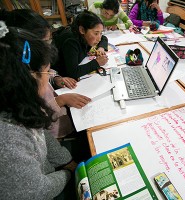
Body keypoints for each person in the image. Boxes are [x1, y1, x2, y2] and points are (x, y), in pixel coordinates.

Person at [0, 23, 77, 199]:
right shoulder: (8, 139)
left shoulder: (19, 105)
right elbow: (37, 191)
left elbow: (42, 131)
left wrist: (67, 161)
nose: (49, 77)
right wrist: (68, 173)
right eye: (46, 73)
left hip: (45, 173)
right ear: (28, 79)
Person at [0, 9, 91, 138]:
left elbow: (47, 70)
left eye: (49, 41)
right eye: (45, 42)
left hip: (59, 118)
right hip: (53, 130)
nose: (48, 47)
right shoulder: (18, 83)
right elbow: (35, 116)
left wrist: (56, 78)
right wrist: (60, 100)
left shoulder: (30, 63)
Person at [52, 10, 109, 80]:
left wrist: (101, 48)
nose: (99, 38)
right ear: (82, 30)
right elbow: (73, 72)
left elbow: (104, 38)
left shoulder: (83, 35)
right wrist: (97, 62)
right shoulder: (71, 42)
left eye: (101, 33)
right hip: (60, 77)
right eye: (96, 33)